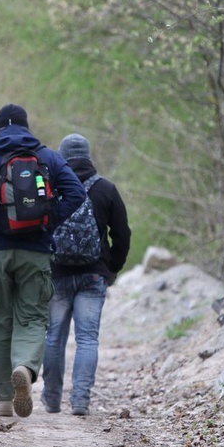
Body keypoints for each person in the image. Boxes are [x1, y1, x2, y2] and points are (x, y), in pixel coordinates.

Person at [0, 104, 85, 417]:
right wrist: (48, 221)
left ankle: (2, 399)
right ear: (27, 126)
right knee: (33, 319)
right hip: (36, 251)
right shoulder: (48, 157)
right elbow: (77, 193)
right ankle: (25, 368)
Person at [41, 133, 131, 416]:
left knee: (54, 336)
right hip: (94, 275)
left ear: (61, 156)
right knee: (88, 339)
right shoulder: (106, 189)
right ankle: (80, 401)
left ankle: (52, 399)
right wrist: (111, 268)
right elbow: (122, 235)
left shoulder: (52, 188)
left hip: (56, 274)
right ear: (89, 156)